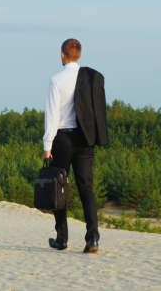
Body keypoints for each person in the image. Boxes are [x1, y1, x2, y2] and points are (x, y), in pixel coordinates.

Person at [42, 38, 109, 253]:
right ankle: (93, 239)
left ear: (63, 55)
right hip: (86, 139)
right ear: (78, 55)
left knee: (59, 187)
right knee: (86, 189)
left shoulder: (57, 79)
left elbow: (52, 115)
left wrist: (47, 144)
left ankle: (62, 239)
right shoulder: (91, 78)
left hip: (63, 139)